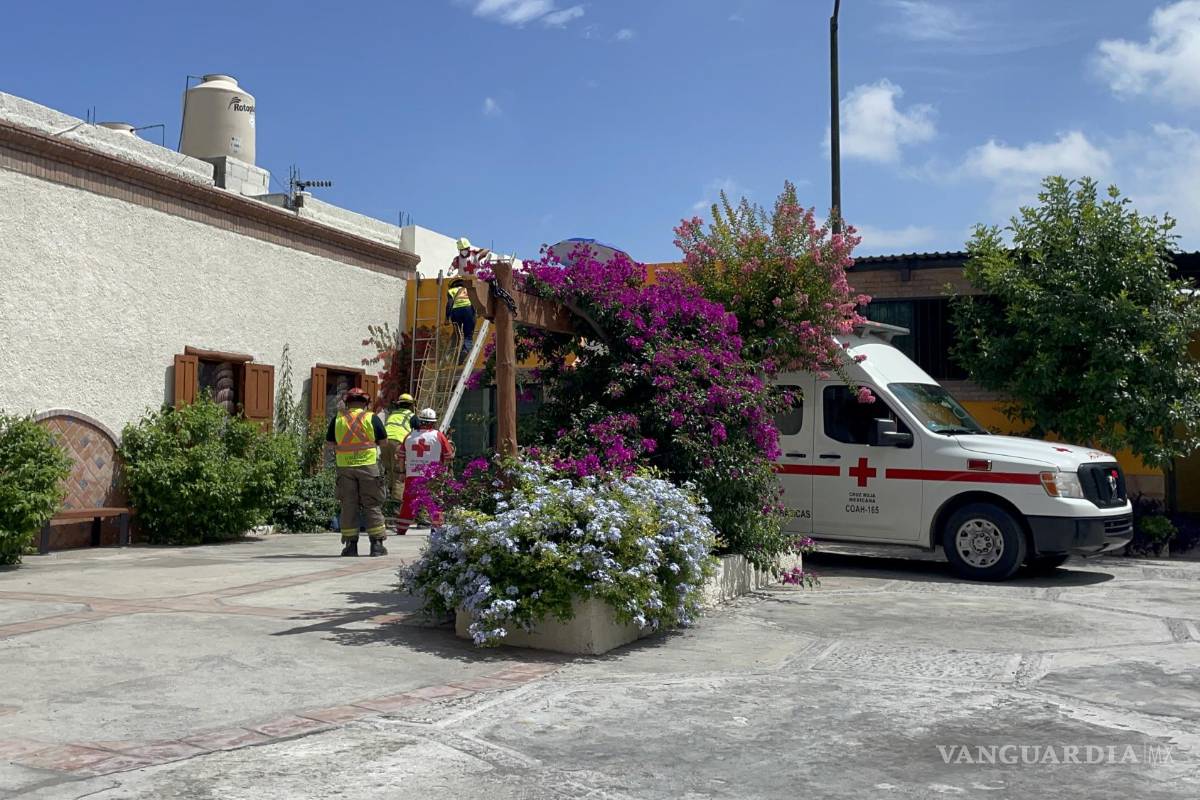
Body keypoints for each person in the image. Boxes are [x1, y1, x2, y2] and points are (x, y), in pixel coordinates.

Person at [325, 387, 389, 557]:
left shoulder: (338, 419)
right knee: (372, 503)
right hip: (368, 466)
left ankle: (350, 546)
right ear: (365, 403)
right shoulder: (371, 418)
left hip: (345, 467)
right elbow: (383, 442)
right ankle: (376, 545)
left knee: (348, 505)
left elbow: (330, 444)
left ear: (347, 403)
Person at [394, 408, 455, 536]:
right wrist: (444, 472)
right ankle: (437, 529)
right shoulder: (438, 436)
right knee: (434, 502)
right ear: (433, 422)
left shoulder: (409, 436)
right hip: (432, 476)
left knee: (409, 502)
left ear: (420, 421)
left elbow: (401, 456)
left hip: (412, 475)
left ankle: (401, 529)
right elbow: (448, 456)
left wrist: (402, 472)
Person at [382, 393, 416, 500]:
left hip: (384, 443)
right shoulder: (412, 416)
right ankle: (396, 503)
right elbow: (420, 432)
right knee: (398, 472)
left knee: (389, 471)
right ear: (411, 405)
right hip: (398, 443)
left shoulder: (392, 414)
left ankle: (388, 496)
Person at [447, 277, 475, 360]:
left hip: (456, 312)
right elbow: (473, 303)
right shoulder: (468, 290)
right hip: (468, 311)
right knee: (468, 335)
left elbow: (449, 304)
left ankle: (450, 353)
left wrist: (447, 317)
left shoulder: (451, 291)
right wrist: (474, 315)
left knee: (456, 333)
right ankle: (465, 350)